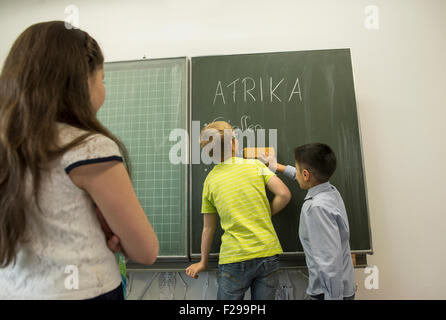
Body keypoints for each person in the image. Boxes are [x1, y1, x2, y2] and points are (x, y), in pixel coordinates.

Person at [0, 21, 159, 300]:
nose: (104, 89)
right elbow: (145, 251)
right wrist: (111, 231)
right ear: (82, 82)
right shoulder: (90, 148)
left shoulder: (8, 149)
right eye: (103, 79)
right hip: (87, 291)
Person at [185, 121, 291, 300]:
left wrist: (203, 262)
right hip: (267, 251)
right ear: (234, 144)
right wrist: (265, 213)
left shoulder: (210, 181)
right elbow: (284, 194)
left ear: (209, 152)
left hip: (234, 258)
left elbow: (208, 228)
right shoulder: (256, 166)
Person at [260, 143, 355, 300]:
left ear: (305, 174)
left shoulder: (315, 208)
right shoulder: (331, 191)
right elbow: (306, 178)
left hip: (329, 293)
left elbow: (328, 264)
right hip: (342, 287)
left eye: (297, 170)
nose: (295, 173)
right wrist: (278, 167)